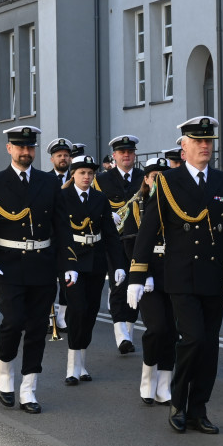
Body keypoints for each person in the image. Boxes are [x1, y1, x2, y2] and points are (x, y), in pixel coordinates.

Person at [127, 117, 223, 435]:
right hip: (180, 276)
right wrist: (137, 275)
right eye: (198, 141)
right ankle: (178, 402)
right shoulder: (167, 182)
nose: (205, 146)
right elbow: (148, 231)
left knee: (210, 348)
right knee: (192, 339)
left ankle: (198, 409)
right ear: (184, 145)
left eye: (209, 141)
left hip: (214, 276)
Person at [0, 125, 63, 414]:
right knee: (13, 321)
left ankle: (29, 388)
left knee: (37, 327)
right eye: (20, 147)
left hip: (42, 265)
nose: (26, 152)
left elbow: (60, 227)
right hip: (8, 265)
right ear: (9, 149)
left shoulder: (48, 183)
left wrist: (68, 263)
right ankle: (4, 373)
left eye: (30, 147)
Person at [57, 154, 126, 386]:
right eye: (82, 173)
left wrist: (118, 265)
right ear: (73, 174)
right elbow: (59, 233)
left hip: (95, 261)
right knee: (77, 309)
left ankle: (82, 363)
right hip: (72, 260)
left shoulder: (100, 198)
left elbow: (110, 234)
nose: (87, 177)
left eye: (90, 173)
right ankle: (71, 367)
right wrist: (66, 264)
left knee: (90, 312)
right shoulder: (63, 197)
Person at [121, 157, 176, 405]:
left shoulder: (176, 204)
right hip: (147, 276)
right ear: (145, 179)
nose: (157, 180)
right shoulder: (136, 206)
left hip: (174, 274)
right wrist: (143, 275)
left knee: (173, 331)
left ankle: (165, 383)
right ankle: (148, 377)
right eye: (153, 176)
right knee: (157, 328)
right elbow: (131, 243)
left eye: (162, 176)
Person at [94, 135, 143, 354]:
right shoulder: (102, 180)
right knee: (118, 284)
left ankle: (129, 330)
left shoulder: (143, 178)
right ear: (114, 156)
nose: (126, 155)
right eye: (122, 152)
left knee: (137, 284)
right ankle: (121, 333)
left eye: (130, 152)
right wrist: (107, 216)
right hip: (113, 242)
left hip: (138, 242)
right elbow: (93, 206)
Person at [46, 136, 74, 334]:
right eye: (59, 155)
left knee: (67, 280)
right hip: (48, 237)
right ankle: (48, 318)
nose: (62, 158)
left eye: (65, 155)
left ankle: (62, 318)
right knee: (48, 281)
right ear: (52, 159)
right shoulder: (44, 180)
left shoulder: (80, 178)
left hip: (69, 237)